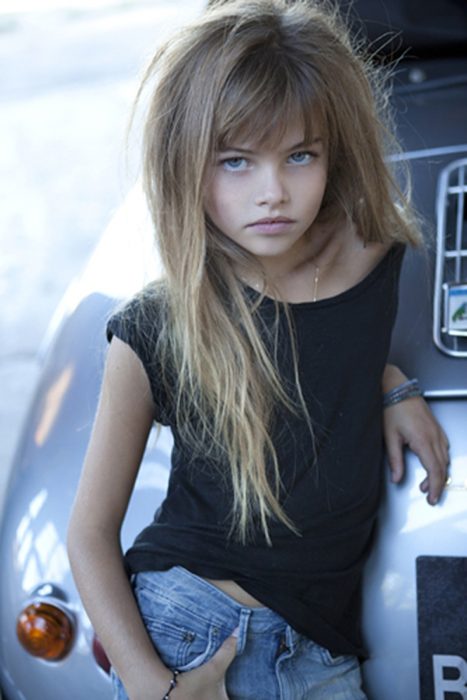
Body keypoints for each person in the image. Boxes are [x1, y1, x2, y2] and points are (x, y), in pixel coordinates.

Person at [67, 1, 449, 698]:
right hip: (188, 633)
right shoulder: (157, 325)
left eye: (299, 155)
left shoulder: (372, 257)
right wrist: (155, 689)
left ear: (335, 150)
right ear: (185, 166)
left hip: (322, 652)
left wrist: (386, 381)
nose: (272, 193)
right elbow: (89, 535)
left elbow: (314, 346)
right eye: (235, 162)